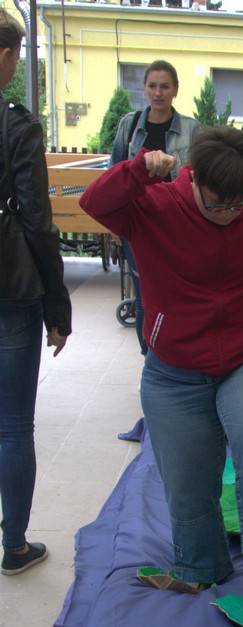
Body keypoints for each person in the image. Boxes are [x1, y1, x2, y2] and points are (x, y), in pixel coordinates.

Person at [81, 127, 243, 592]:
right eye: (218, 205)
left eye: (239, 205)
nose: (229, 215)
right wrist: (138, 169)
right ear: (195, 179)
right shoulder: (155, 206)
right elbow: (94, 201)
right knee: (187, 477)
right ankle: (200, 566)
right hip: (174, 369)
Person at [0, 12, 71, 576]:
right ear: (6, 55)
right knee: (12, 424)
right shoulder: (16, 126)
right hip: (11, 284)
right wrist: (57, 302)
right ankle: (15, 546)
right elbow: (37, 219)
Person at [110, 60, 199, 356]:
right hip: (137, 223)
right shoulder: (129, 125)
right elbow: (116, 175)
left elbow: (200, 177)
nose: (158, 93)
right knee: (145, 298)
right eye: (152, 86)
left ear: (175, 90)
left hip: (178, 224)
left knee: (177, 295)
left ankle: (174, 359)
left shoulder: (192, 129)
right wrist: (114, 225)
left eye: (165, 86)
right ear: (144, 88)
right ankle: (150, 361)